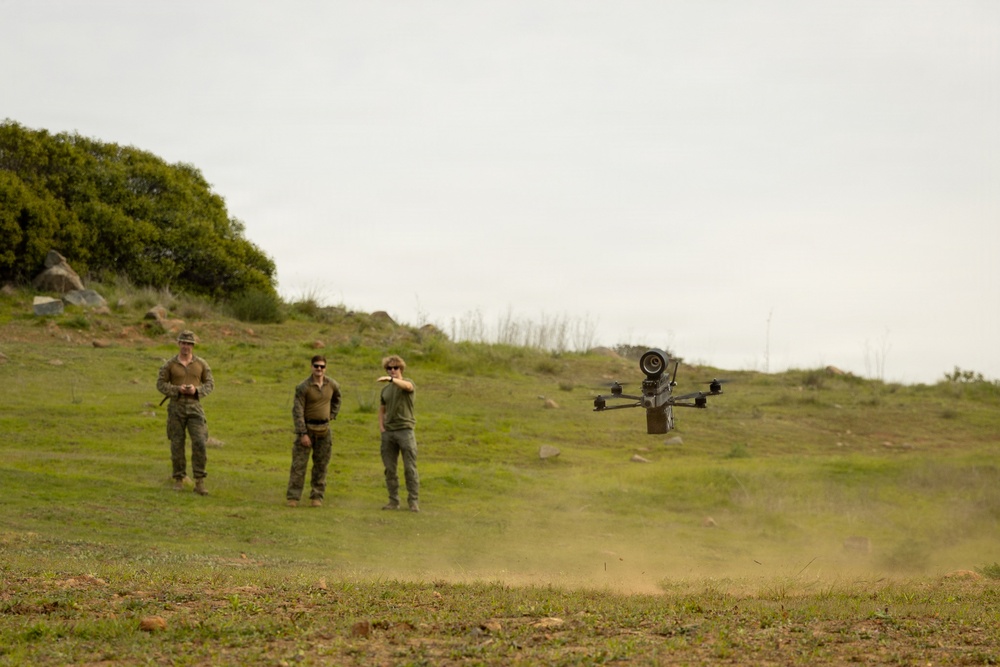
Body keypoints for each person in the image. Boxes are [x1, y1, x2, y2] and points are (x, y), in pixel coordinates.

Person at [157, 330, 215, 495]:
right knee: (177, 443)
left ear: (193, 346)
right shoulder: (170, 364)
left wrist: (196, 391)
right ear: (179, 344)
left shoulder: (201, 364)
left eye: (189, 344)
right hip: (176, 407)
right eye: (183, 343)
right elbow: (160, 384)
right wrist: (177, 389)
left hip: (194, 407)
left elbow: (210, 384)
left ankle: (199, 481)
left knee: (200, 442)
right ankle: (179, 479)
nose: (186, 346)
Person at [287, 355, 341, 507]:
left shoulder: (332, 384)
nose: (319, 369)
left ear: (325, 368)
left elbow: (337, 399)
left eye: (322, 366)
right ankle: (293, 497)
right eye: (316, 366)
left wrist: (332, 414)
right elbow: (297, 411)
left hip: (324, 429)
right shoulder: (303, 387)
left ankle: (317, 496)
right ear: (311, 367)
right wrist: (302, 433)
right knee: (299, 465)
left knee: (321, 465)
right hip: (307, 429)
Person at [377, 354, 419, 512]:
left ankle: (413, 501)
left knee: (410, 468)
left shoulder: (408, 383)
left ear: (401, 369)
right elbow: (382, 410)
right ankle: (393, 501)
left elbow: (408, 387)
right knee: (390, 469)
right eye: (389, 368)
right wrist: (382, 428)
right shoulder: (385, 390)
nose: (392, 370)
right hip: (389, 433)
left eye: (395, 368)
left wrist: (391, 380)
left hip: (405, 431)